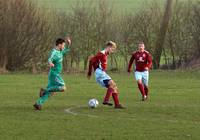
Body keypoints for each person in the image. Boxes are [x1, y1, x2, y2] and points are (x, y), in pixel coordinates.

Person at [33, 37, 71, 110]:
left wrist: (69, 44)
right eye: (63, 45)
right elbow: (50, 58)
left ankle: (38, 104)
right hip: (55, 74)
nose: (64, 46)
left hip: (53, 75)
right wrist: (50, 63)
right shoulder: (54, 52)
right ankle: (44, 90)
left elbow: (66, 50)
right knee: (63, 88)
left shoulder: (60, 51)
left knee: (51, 92)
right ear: (59, 45)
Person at [87, 41, 124, 109]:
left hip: (100, 73)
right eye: (112, 49)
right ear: (109, 47)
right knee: (112, 84)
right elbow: (91, 60)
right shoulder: (101, 53)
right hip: (100, 72)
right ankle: (106, 100)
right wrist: (89, 72)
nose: (112, 51)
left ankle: (117, 104)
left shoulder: (105, 54)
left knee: (114, 87)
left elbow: (94, 61)